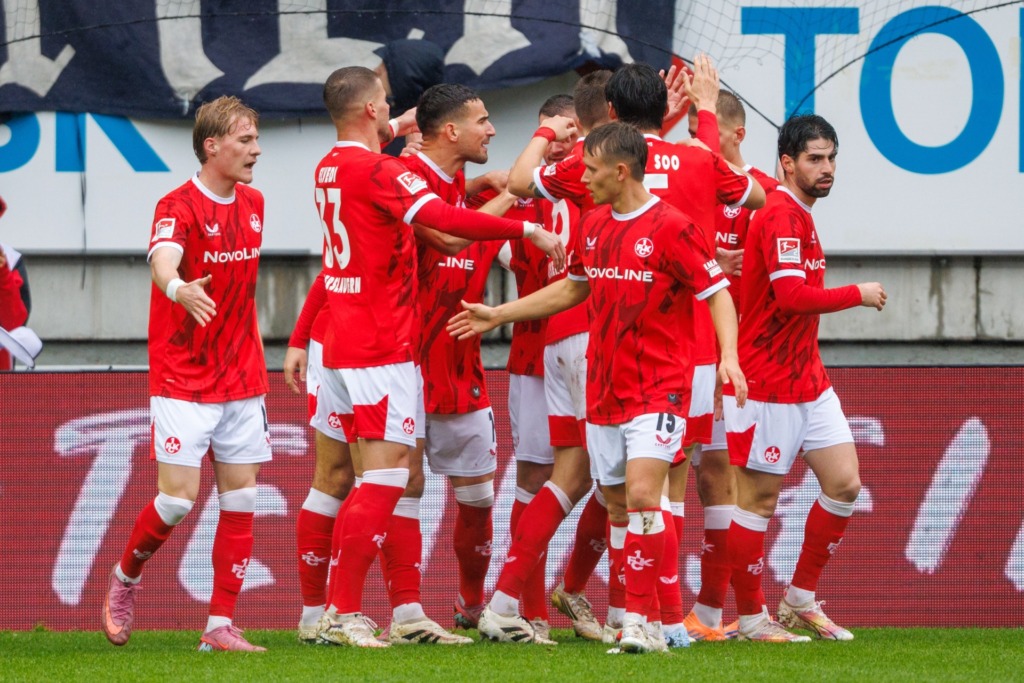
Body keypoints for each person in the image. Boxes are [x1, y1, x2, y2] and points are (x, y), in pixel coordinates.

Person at [449, 122, 747, 653]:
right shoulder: (592, 225)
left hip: (661, 388)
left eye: (589, 169)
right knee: (615, 506)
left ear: (621, 171)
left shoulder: (673, 227)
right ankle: (653, 621)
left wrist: (728, 357)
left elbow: (717, 293)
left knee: (641, 495)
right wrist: (498, 314)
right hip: (605, 389)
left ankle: (639, 622)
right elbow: (570, 289)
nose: (581, 177)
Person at [311, 65, 563, 649]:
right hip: (384, 344)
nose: (391, 110)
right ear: (372, 111)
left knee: (385, 476)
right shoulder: (383, 170)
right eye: (385, 103)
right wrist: (523, 232)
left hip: (352, 342)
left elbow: (389, 140)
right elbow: (444, 227)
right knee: (390, 477)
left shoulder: (331, 163)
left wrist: (405, 127)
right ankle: (341, 610)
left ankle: (390, 614)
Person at [602, 59, 765, 648]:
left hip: (620, 345)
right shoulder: (700, 157)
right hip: (696, 346)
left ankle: (648, 615)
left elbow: (524, 184)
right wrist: (704, 113)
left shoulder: (605, 166)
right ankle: (674, 616)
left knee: (642, 491)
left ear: (612, 114)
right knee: (683, 481)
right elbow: (756, 195)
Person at [101, 96, 270, 652]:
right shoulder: (177, 204)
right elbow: (163, 259)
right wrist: (178, 288)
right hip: (183, 375)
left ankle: (219, 626)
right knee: (177, 500)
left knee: (242, 498)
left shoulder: (255, 203)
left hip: (243, 374)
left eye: (255, 138)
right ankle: (125, 579)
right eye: (244, 141)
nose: (256, 149)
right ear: (211, 146)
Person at [722, 114, 886, 642]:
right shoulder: (780, 215)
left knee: (845, 484)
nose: (827, 168)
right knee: (758, 502)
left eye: (832, 158)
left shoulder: (797, 215)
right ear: (787, 163)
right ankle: (750, 619)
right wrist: (855, 293)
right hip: (767, 382)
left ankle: (799, 599)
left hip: (809, 381)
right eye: (815, 158)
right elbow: (792, 299)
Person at [485, 70, 612, 644]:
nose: (568, 155)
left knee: (577, 476)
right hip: (549, 352)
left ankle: (522, 602)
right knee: (552, 476)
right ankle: (531, 606)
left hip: (560, 341)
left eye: (570, 142)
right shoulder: (578, 185)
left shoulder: (575, 186)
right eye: (557, 143)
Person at [682, 90, 780, 642]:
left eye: (708, 129)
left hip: (741, 361)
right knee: (695, 477)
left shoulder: (761, 193)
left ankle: (717, 611)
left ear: (735, 136)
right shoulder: (691, 179)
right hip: (690, 354)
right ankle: (701, 612)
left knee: (732, 479)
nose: (696, 140)